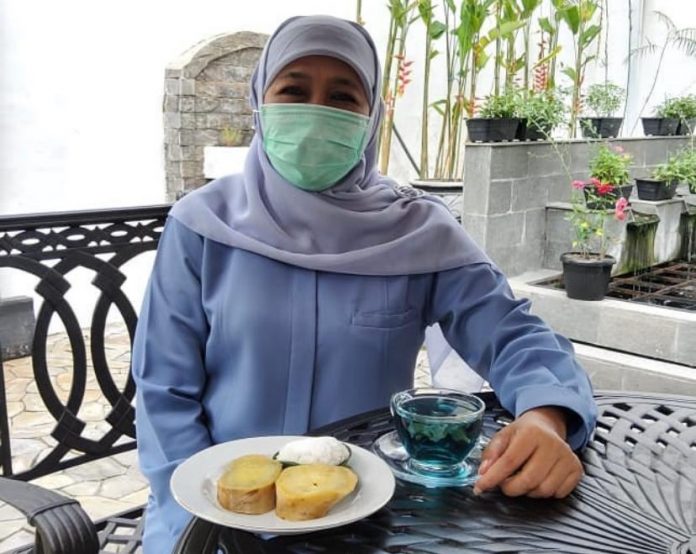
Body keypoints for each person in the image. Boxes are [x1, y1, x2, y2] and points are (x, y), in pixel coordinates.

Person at [132, 14, 597, 553]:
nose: (316, 112)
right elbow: (163, 389)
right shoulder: (202, 225)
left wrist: (547, 416)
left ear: (372, 115)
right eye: (294, 91)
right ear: (260, 101)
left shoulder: (417, 232)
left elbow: (513, 334)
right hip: (217, 515)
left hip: (363, 520)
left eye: (343, 96)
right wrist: (204, 515)